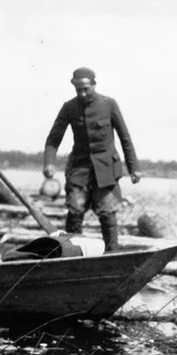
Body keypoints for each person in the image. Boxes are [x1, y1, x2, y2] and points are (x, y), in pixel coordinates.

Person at [42, 66, 141, 252]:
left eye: (86, 88)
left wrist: (134, 168)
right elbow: (53, 139)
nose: (82, 93)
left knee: (108, 213)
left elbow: (125, 137)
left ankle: (112, 254)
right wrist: (48, 163)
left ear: (94, 84)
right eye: (78, 89)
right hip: (79, 169)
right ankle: (72, 253)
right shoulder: (69, 107)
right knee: (75, 212)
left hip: (106, 169)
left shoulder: (109, 104)